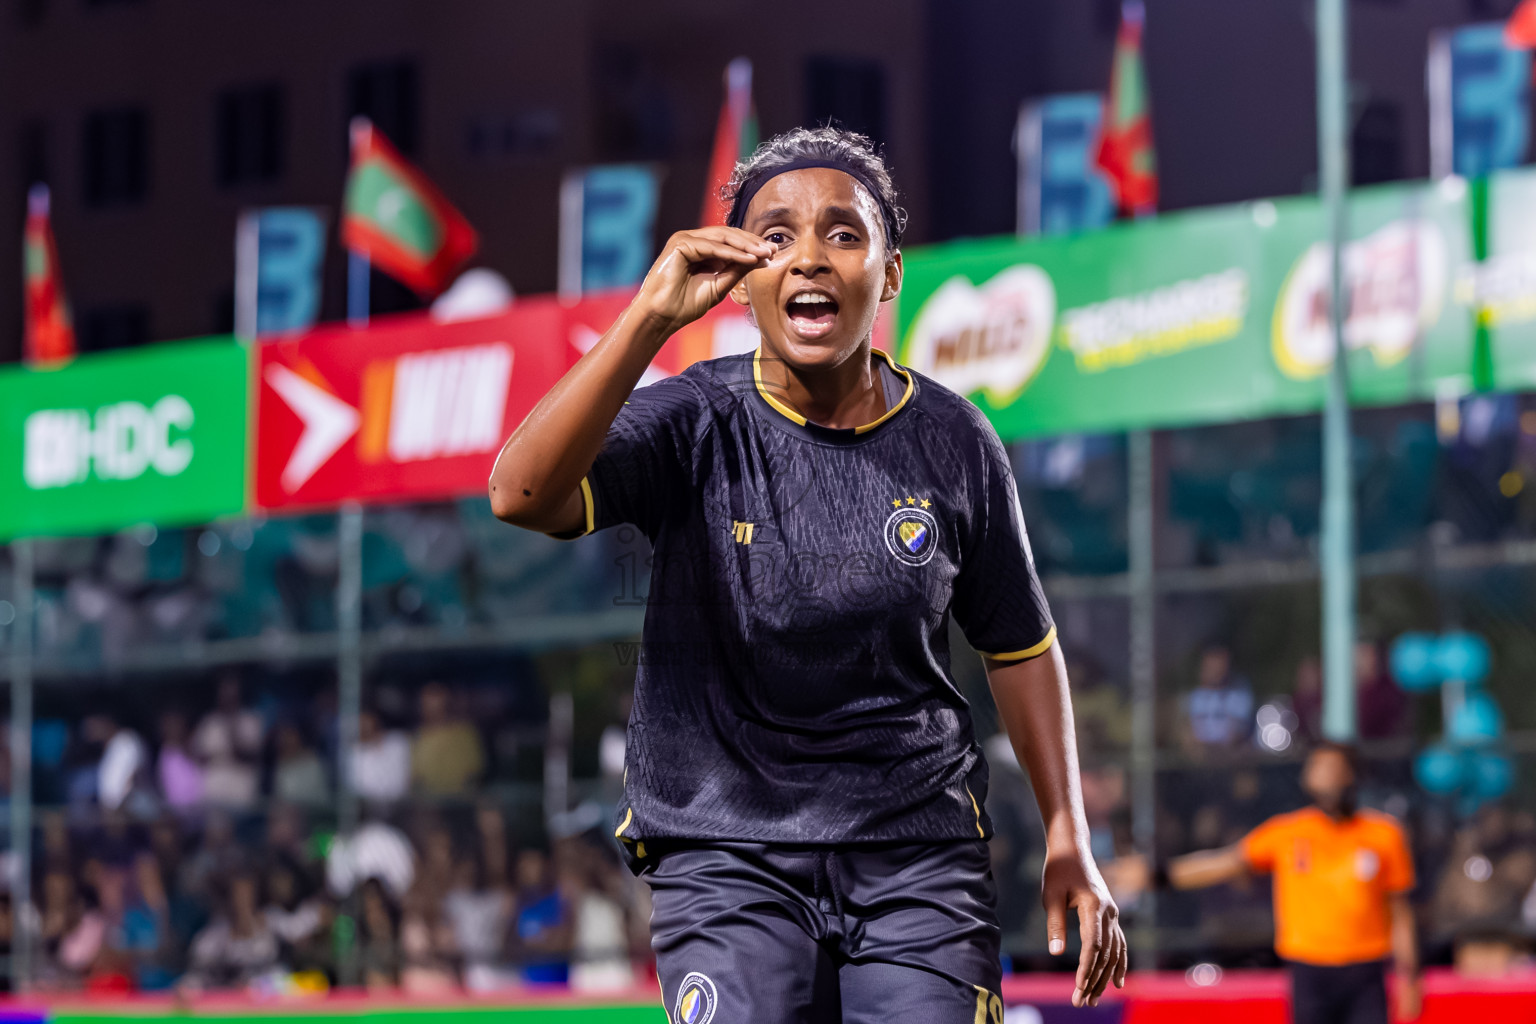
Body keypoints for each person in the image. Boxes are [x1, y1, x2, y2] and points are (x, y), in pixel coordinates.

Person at [489, 125, 1125, 1021]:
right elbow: (518, 493)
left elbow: (1019, 646)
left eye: (844, 232)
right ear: (743, 279)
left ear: (890, 274)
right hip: (725, 854)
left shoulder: (955, 441)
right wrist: (647, 320)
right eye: (776, 237)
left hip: (916, 855)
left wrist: (1070, 830)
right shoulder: (694, 421)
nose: (809, 257)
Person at [1109, 742, 1421, 1024]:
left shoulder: (1383, 835)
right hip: (1309, 969)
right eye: (1318, 767)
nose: (1324, 776)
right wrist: (1158, 875)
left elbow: (1401, 913)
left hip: (1365, 970)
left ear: (1351, 775)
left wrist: (1409, 975)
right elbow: (1224, 864)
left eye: (1333, 768)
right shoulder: (1288, 833)